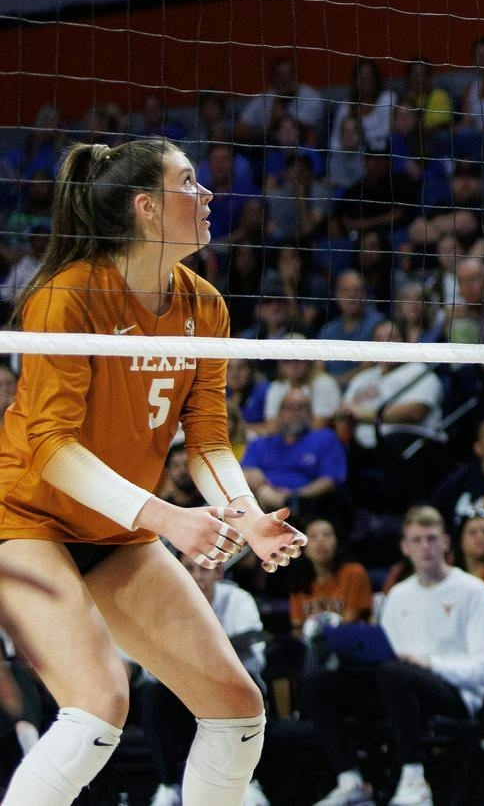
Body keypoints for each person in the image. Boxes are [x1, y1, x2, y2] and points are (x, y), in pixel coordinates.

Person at [0, 140, 305, 806]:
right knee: (99, 702)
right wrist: (168, 518)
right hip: (23, 519)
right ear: (145, 207)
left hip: (115, 529)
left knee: (236, 705)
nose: (208, 195)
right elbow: (50, 448)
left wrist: (246, 516)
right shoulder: (67, 296)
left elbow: (206, 439)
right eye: (189, 182)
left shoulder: (206, 306)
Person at [303, 506, 484, 806]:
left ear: (446, 542)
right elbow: (386, 655)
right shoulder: (398, 595)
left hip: (455, 694)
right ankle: (351, 780)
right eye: (417, 540)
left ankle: (414, 779)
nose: (425, 547)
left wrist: (429, 664)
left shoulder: (473, 590)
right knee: (319, 682)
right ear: (405, 547)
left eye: (432, 538)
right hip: (397, 688)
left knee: (395, 672)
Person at [138, 549, 271, 806]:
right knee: (151, 694)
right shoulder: (163, 604)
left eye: (204, 568)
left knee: (253, 690)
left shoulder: (238, 600)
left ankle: (251, 783)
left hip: (230, 690)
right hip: (183, 692)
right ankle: (167, 786)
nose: (197, 576)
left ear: (219, 572)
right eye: (189, 568)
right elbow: (149, 667)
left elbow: (256, 658)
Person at [241, 389, 346, 515]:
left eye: (301, 407)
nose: (295, 413)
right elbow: (246, 472)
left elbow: (330, 480)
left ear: (310, 414)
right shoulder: (261, 443)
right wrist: (265, 489)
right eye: (289, 407)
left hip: (308, 506)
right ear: (279, 413)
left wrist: (293, 496)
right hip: (262, 502)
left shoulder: (324, 438)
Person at [290, 518, 372, 632]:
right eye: (313, 536)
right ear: (304, 549)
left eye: (327, 535)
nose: (321, 541)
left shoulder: (354, 573)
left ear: (336, 542)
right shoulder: (299, 582)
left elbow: (350, 622)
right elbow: (297, 629)